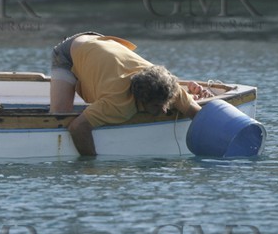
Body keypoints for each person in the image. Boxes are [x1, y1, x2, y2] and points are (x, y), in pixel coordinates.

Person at [48, 32, 215, 157]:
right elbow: (77, 127)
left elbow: (200, 116)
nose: (164, 110)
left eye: (166, 102)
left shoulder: (168, 88)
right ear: (140, 98)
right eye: (157, 105)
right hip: (70, 52)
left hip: (101, 42)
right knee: (60, 116)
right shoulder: (118, 102)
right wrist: (92, 162)